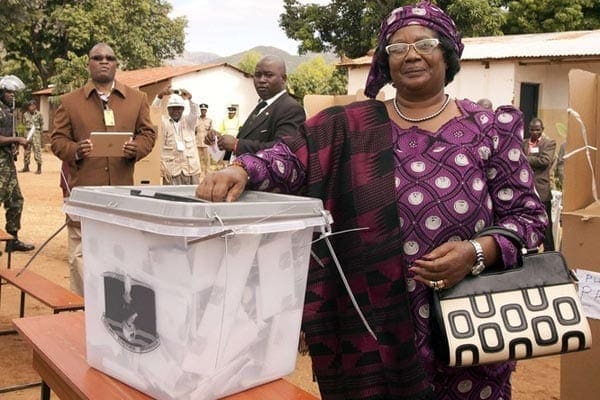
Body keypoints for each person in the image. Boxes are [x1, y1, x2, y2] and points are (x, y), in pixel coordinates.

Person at [195, 2, 547, 399]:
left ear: (447, 53)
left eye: (425, 44)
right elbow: (289, 156)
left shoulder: (490, 128)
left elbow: (528, 218)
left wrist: (476, 252)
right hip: (371, 324)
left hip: (468, 318)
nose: (411, 54)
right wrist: (240, 169)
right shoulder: (347, 126)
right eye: (397, 48)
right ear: (386, 62)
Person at [51, 42, 156, 295]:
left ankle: (118, 306)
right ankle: (80, 309)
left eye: (109, 57)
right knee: (81, 253)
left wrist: (137, 148)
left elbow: (148, 134)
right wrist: (76, 150)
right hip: (84, 192)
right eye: (97, 58)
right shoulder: (70, 102)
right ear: (88, 64)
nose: (104, 61)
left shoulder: (137, 99)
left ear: (117, 64)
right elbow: (57, 140)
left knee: (121, 250)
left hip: (121, 192)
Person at [205, 55, 305, 158]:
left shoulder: (291, 109)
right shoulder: (261, 106)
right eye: (257, 75)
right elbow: (247, 140)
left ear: (283, 78)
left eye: (269, 75)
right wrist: (219, 141)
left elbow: (283, 150)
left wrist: (237, 145)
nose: (261, 80)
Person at [0, 87, 35, 252]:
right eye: (8, 92)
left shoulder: (9, 112)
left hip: (7, 162)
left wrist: (15, 146)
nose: (12, 95)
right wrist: (17, 139)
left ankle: (12, 239)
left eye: (13, 93)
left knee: (15, 200)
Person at [152, 87, 201, 185]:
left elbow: (195, 112)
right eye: (173, 108)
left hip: (190, 170)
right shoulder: (164, 123)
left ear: (183, 109)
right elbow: (153, 113)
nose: (176, 111)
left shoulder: (189, 122)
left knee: (193, 198)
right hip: (172, 171)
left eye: (178, 108)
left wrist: (190, 98)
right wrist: (159, 97)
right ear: (168, 109)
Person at [522, 117, 557, 251]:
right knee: (527, 222)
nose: (535, 132)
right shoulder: (523, 143)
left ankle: (550, 252)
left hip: (541, 191)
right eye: (532, 130)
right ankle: (530, 252)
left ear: (542, 130)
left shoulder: (549, 143)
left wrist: (525, 158)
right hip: (525, 190)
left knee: (546, 225)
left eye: (537, 130)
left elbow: (545, 161)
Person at [21, 99, 44, 174]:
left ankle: (39, 168)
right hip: (27, 133)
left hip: (36, 133)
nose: (31, 107)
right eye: (29, 105)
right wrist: (23, 135)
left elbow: (41, 124)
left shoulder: (39, 114)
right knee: (27, 150)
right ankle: (26, 166)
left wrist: (41, 134)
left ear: (35, 106)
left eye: (32, 105)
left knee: (37, 150)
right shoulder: (25, 114)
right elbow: (24, 124)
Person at [195, 103, 213, 178]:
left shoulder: (209, 120)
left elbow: (211, 131)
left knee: (207, 159)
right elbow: (194, 131)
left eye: (204, 110)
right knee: (198, 159)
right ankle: (200, 173)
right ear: (200, 110)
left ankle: (207, 173)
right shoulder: (196, 120)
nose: (203, 111)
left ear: (206, 111)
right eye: (202, 110)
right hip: (198, 142)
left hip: (206, 143)